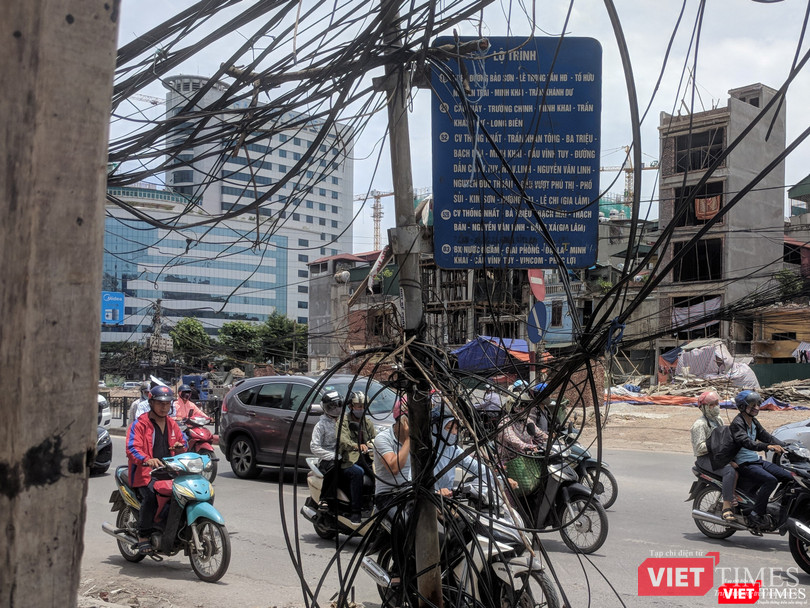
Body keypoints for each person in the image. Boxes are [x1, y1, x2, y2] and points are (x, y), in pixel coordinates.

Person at [125, 386, 187, 554]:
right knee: (151, 496)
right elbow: (132, 448)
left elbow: (184, 442)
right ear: (151, 403)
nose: (164, 407)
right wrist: (147, 459)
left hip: (170, 471)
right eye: (160, 403)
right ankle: (143, 536)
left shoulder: (172, 424)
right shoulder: (140, 425)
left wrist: (181, 448)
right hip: (145, 473)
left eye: (167, 404)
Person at [730, 390, 791, 529]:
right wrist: (767, 446)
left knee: (789, 477)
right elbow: (747, 442)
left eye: (757, 404)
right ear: (742, 407)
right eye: (752, 405)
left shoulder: (754, 422)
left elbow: (766, 436)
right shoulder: (738, 423)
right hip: (744, 463)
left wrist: (786, 445)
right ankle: (756, 514)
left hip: (756, 460)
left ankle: (775, 506)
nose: (756, 407)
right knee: (771, 480)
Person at [432, 414, 518, 496]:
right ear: (437, 429)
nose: (454, 432)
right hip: (426, 502)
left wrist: (501, 480)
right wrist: (435, 491)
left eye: (456, 428)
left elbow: (481, 470)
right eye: (449, 428)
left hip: (446, 501)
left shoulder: (454, 450)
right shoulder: (425, 451)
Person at [690, 390, 738, 521]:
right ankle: (726, 506)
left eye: (717, 403)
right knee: (729, 471)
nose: (716, 406)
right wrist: (716, 445)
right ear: (704, 408)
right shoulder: (699, 425)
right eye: (712, 404)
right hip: (705, 459)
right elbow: (699, 448)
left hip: (718, 456)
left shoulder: (718, 420)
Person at [339, 391, 377, 523]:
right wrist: (357, 446)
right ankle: (355, 511)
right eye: (358, 406)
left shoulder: (367, 422)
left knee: (379, 474)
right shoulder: (343, 420)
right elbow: (342, 440)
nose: (361, 409)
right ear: (351, 407)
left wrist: (372, 443)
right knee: (358, 473)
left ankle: (374, 505)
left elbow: (375, 437)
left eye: (363, 406)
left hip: (366, 458)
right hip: (348, 459)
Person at [373, 398, 411, 511]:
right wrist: (409, 439)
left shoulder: (420, 439)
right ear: (404, 421)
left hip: (412, 491)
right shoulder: (383, 439)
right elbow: (394, 468)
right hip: (388, 494)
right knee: (404, 523)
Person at [311, 390, 344, 501]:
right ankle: (325, 498)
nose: (335, 409)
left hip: (345, 455)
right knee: (335, 466)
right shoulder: (320, 426)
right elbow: (314, 447)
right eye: (331, 406)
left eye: (337, 405)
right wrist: (332, 455)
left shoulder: (345, 422)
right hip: (327, 460)